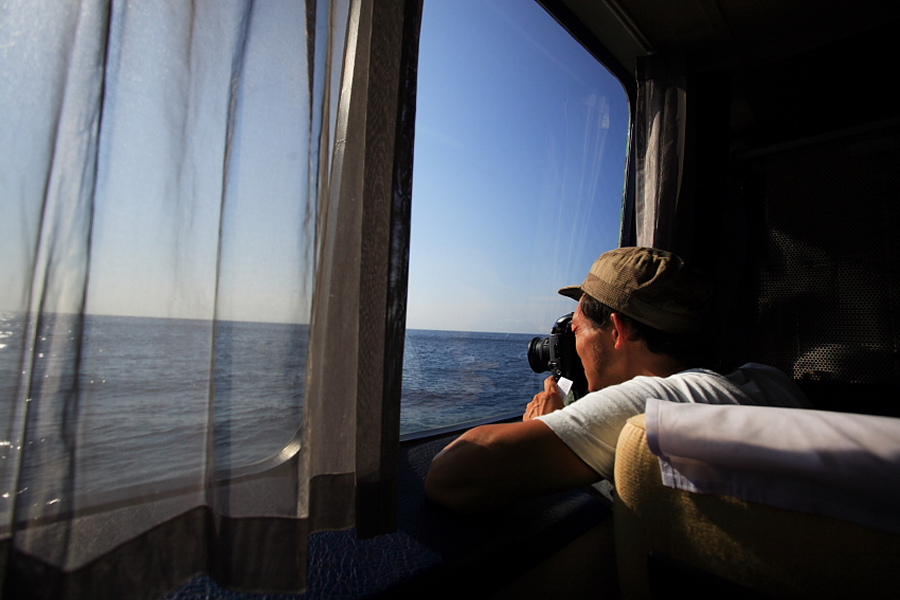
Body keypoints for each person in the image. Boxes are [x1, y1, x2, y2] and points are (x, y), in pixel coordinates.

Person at [425, 246, 809, 513]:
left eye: (577, 330)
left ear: (619, 330)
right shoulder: (768, 379)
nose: (574, 344)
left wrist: (549, 422)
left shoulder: (652, 404)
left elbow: (453, 475)